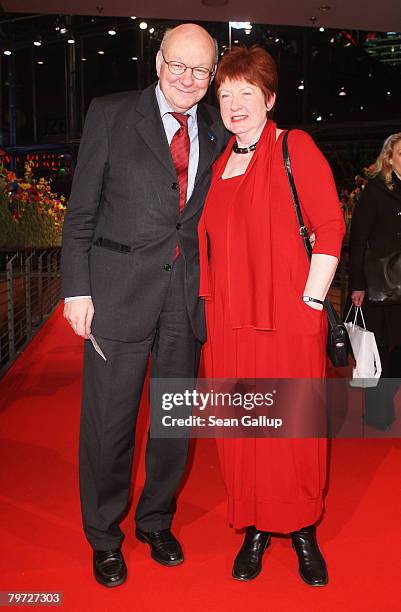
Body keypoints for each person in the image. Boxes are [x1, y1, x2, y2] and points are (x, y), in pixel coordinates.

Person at [61, 24, 227, 587]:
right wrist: (75, 289)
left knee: (175, 422)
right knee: (109, 426)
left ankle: (156, 521)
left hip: (185, 299)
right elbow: (80, 212)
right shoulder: (110, 114)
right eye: (178, 65)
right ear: (158, 62)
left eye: (200, 70)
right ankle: (104, 535)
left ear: (211, 75)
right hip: (117, 294)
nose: (187, 78)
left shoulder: (216, 126)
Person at [198, 46, 345, 584]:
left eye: (247, 93)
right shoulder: (216, 167)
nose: (235, 104)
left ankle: (303, 530)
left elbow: (329, 225)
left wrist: (310, 299)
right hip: (229, 324)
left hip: (286, 319)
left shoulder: (293, 147)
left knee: (293, 431)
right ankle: (256, 528)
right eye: (226, 94)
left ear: (269, 98)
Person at [349, 133, 401, 430]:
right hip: (381, 286)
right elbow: (358, 240)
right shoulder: (375, 191)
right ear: (389, 158)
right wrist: (356, 283)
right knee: (380, 350)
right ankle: (377, 412)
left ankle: (384, 401)